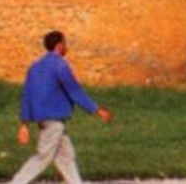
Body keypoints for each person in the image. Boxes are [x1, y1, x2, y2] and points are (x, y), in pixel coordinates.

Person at [10, 30, 113, 184]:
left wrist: (24, 124)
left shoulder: (35, 67)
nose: (67, 47)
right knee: (42, 157)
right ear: (59, 45)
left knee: (66, 157)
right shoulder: (60, 65)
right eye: (65, 43)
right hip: (54, 121)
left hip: (43, 120)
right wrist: (96, 109)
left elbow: (27, 94)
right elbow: (74, 91)